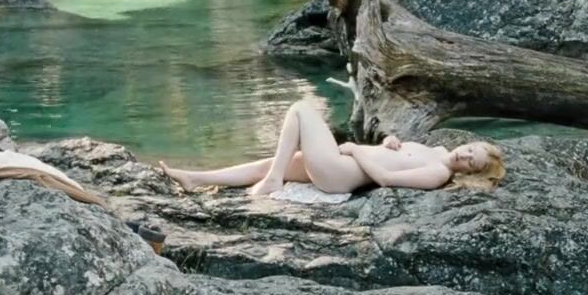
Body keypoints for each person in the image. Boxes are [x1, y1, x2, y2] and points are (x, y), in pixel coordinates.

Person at [159, 101, 505, 195]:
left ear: (469, 173)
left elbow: (386, 179)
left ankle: (275, 181)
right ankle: (196, 178)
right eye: (470, 149)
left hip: (341, 174)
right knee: (270, 162)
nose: (464, 156)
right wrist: (389, 142)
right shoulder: (439, 149)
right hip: (341, 162)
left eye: (471, 163)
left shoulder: (439, 173)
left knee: (300, 109)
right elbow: (394, 157)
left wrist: (356, 151)